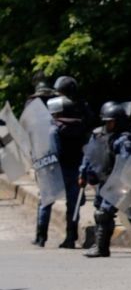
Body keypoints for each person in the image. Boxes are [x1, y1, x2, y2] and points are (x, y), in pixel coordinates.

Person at [79, 101, 131, 257]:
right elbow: (90, 155)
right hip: (103, 180)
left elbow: (125, 165)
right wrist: (83, 173)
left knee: (104, 213)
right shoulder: (100, 136)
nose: (108, 125)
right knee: (100, 211)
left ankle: (101, 248)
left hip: (118, 182)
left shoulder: (124, 140)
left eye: (111, 122)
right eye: (106, 122)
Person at [34, 95, 86, 248]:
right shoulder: (80, 127)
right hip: (76, 169)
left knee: (45, 202)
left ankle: (41, 237)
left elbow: (53, 150)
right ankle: (70, 238)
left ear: (56, 112)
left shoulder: (54, 129)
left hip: (56, 170)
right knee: (72, 206)